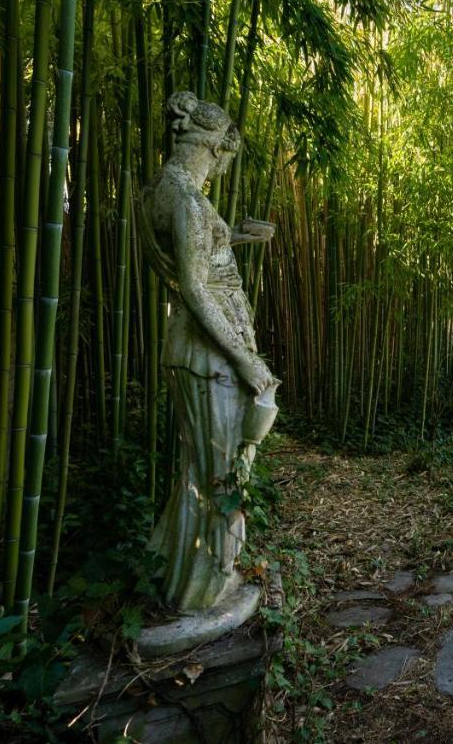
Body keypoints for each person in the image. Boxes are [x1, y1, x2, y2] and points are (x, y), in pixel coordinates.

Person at [141, 91, 278, 610]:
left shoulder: (157, 191)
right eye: (225, 156)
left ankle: (178, 573)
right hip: (209, 354)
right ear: (213, 146)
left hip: (191, 350)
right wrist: (245, 359)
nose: (222, 168)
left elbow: (189, 264)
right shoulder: (190, 201)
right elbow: (196, 289)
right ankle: (201, 591)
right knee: (221, 471)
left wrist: (233, 239)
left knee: (196, 470)